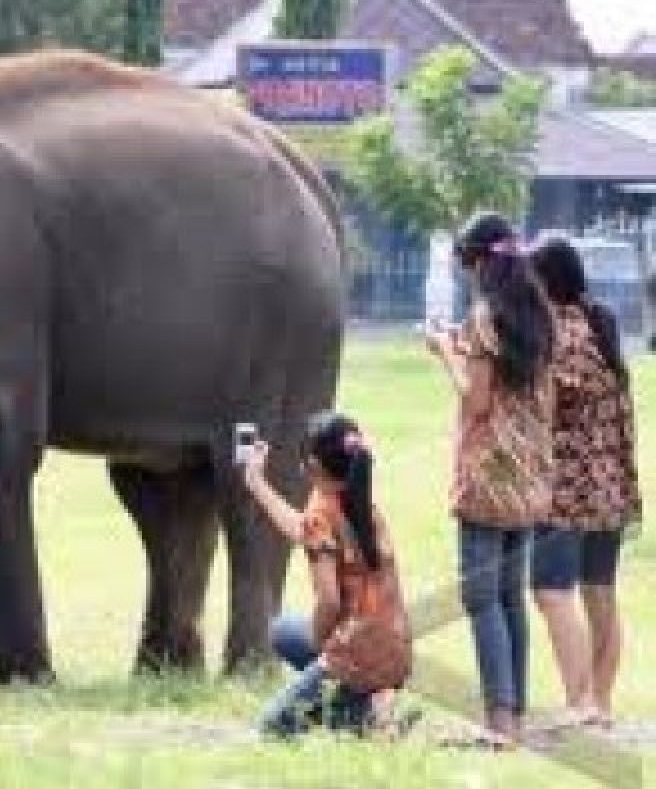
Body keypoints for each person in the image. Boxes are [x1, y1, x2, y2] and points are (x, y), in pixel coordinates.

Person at [425, 212, 553, 746]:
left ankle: (498, 722)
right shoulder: (540, 317)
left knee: (481, 597)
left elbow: (476, 402)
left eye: (467, 263)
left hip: (487, 475)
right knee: (509, 596)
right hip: (529, 476)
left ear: (480, 262)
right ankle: (514, 714)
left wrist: (444, 354)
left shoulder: (485, 318)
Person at [529, 237, 641, 728]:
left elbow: (546, 410)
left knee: (552, 590)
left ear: (546, 280)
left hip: (568, 490)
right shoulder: (603, 325)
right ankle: (601, 703)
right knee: (600, 593)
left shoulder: (560, 332)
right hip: (612, 489)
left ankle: (578, 704)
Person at [245, 411, 411, 738]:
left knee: (270, 728)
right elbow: (304, 530)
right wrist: (256, 483)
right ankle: (372, 703)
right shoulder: (362, 504)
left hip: (354, 654)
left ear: (313, 466)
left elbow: (329, 602)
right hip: (396, 651)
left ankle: (362, 718)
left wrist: (326, 653)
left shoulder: (322, 512)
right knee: (284, 630)